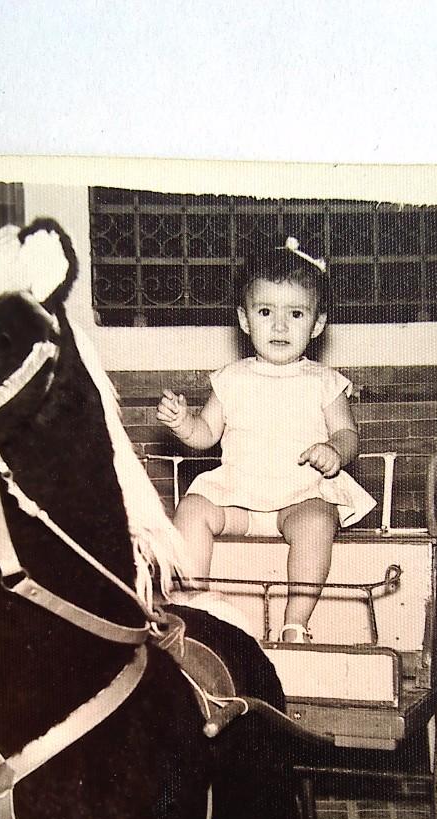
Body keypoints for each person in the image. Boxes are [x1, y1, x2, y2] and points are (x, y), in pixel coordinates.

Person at [157, 237, 375, 641]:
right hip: (238, 499)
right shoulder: (231, 378)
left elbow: (348, 434)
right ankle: (193, 603)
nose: (279, 326)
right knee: (190, 509)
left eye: (295, 313)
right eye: (265, 311)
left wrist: (335, 451)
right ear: (244, 320)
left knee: (316, 522)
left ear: (317, 324)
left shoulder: (323, 381)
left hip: (296, 498)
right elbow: (205, 435)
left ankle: (296, 620)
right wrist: (183, 422)